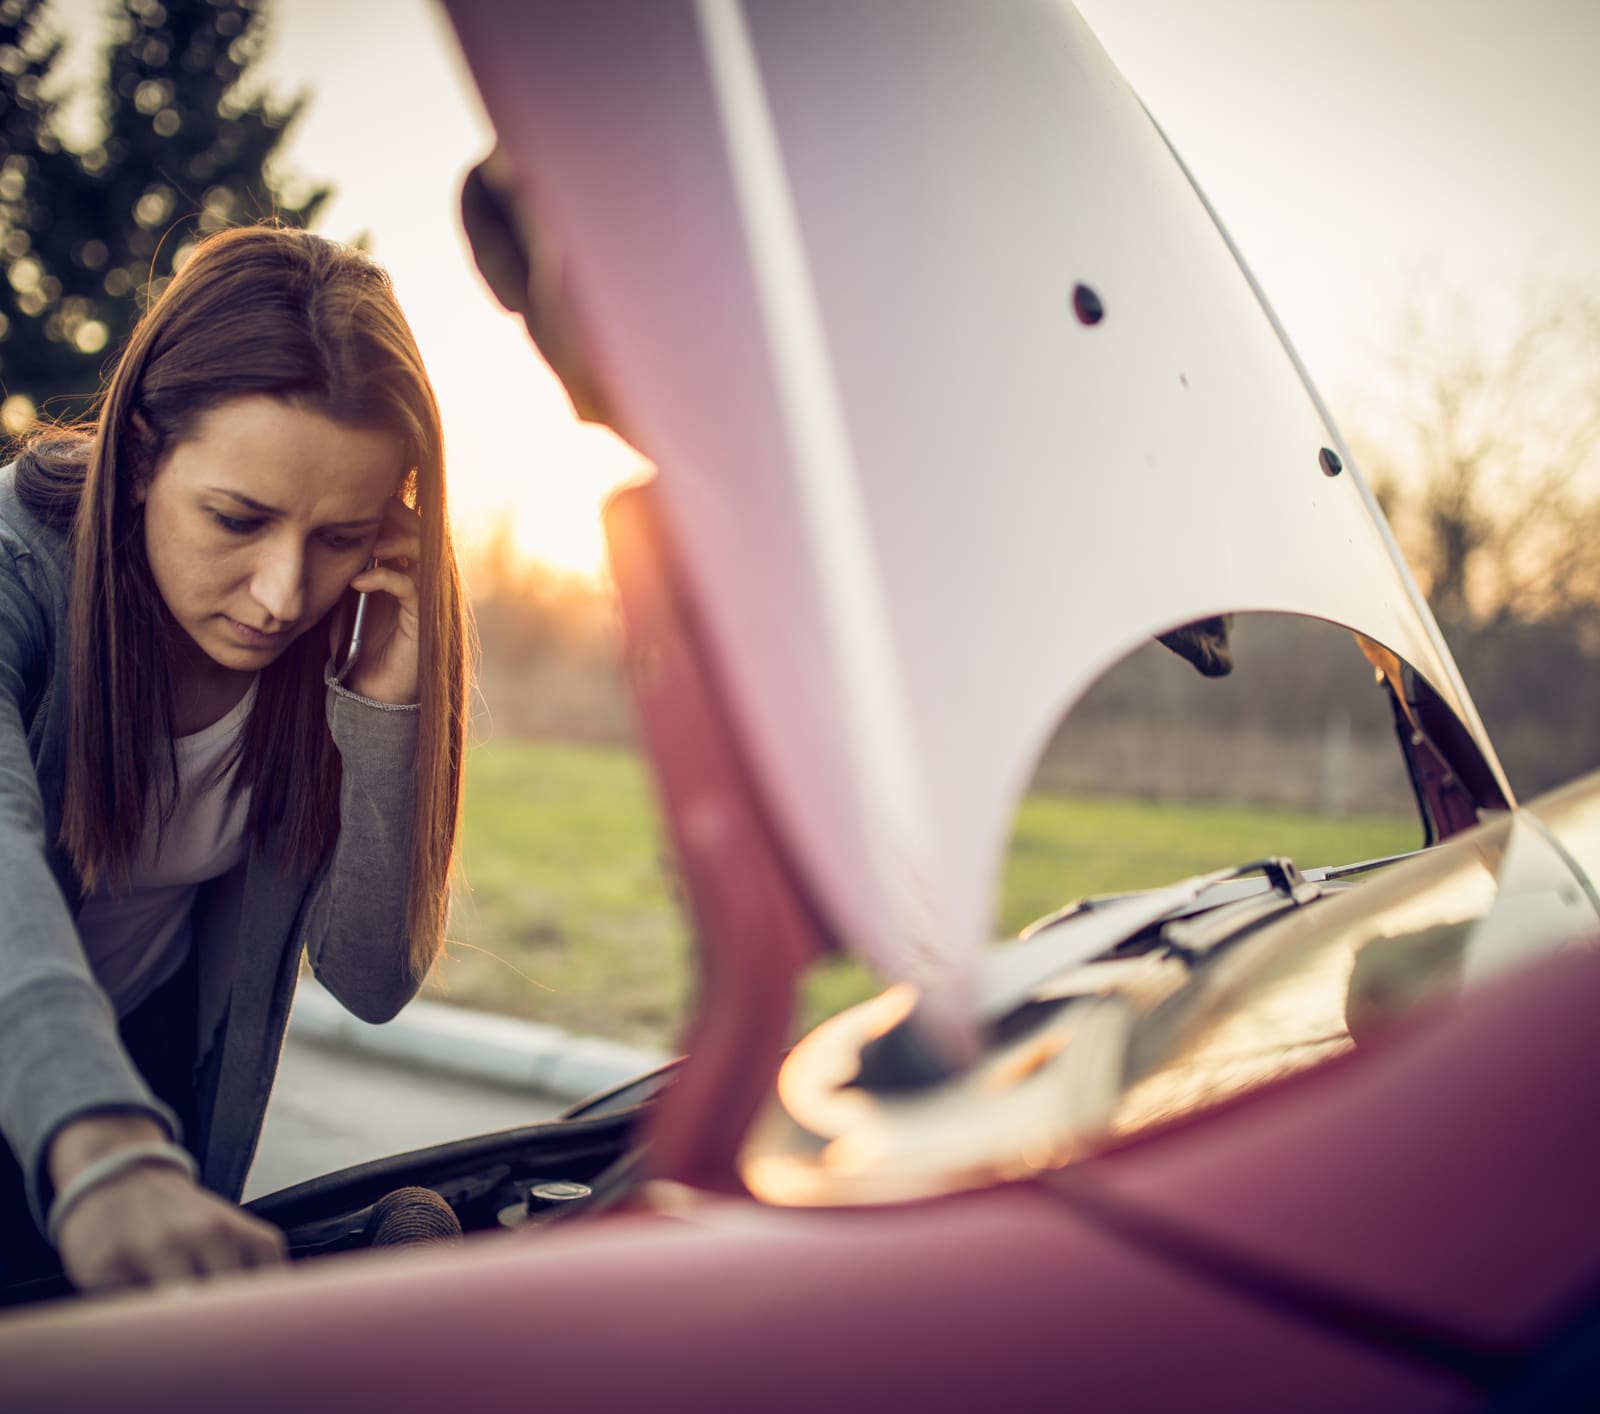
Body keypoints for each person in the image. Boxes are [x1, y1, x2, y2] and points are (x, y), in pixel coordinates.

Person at [0, 224, 470, 1296]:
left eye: (344, 535)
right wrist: (101, 1141)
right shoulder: (15, 573)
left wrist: (385, 699)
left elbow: (369, 974)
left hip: (141, 1129)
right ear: (137, 462)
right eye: (237, 518)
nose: (280, 595)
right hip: (82, 1127)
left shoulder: (337, 637)